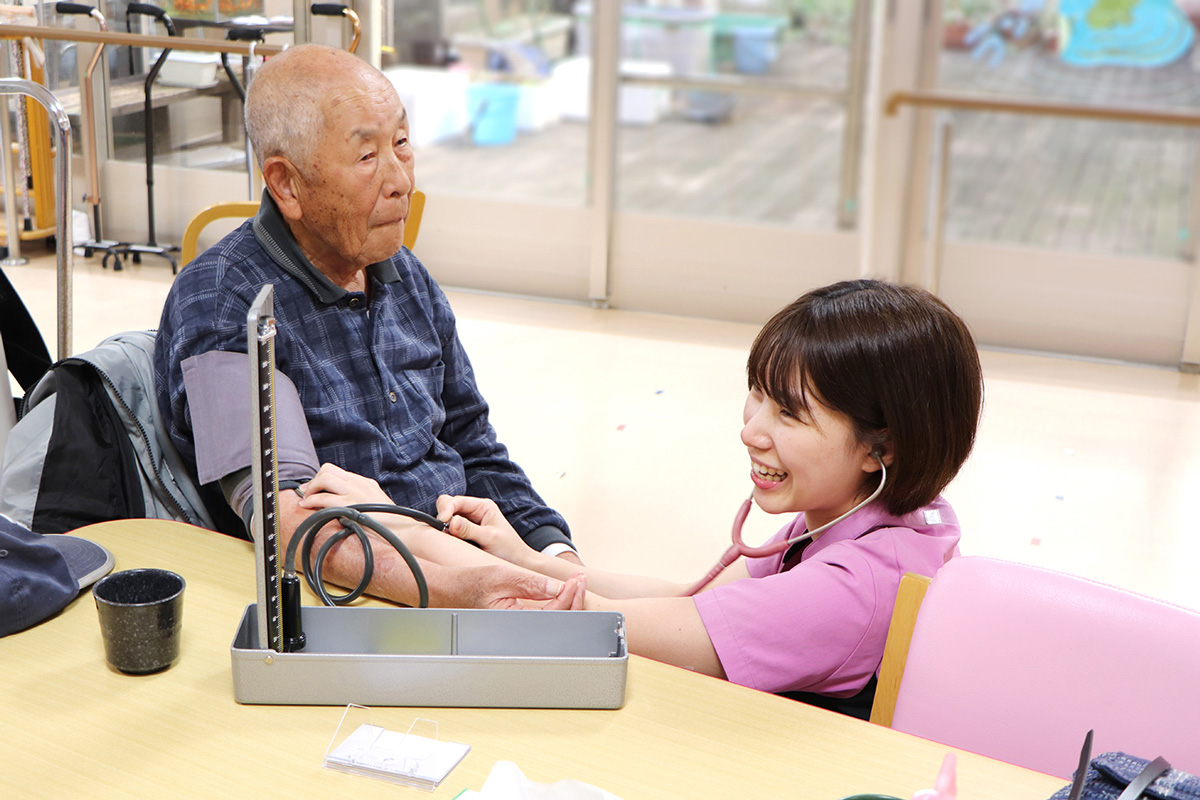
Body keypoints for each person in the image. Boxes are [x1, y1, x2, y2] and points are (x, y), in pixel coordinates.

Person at [415, 279, 984, 717]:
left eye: (788, 413)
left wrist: (398, 533)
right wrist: (524, 557)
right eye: (756, 395)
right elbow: (692, 601)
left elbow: (617, 626)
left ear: (880, 448)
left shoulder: (855, 586)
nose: (751, 430)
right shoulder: (872, 515)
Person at [154, 44, 578, 609]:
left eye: (401, 143)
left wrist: (556, 558)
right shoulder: (226, 300)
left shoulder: (403, 274)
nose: (401, 179)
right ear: (286, 184)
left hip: (469, 566)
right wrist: (460, 592)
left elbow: (474, 447)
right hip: (357, 597)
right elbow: (290, 520)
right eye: (366, 157)